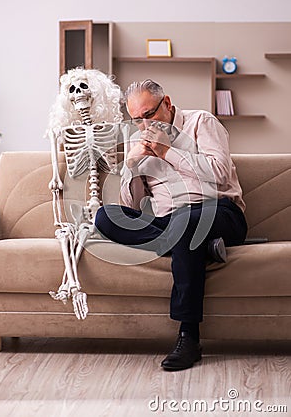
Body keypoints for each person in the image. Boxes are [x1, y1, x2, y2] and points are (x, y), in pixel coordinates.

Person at [95, 79, 248, 371]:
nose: (143, 125)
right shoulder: (137, 139)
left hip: (220, 212)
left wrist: (167, 152)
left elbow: (219, 172)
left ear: (166, 103)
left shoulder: (200, 122)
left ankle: (188, 336)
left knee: (187, 222)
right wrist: (130, 169)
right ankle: (199, 247)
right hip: (170, 221)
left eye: (149, 115)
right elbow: (131, 207)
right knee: (105, 218)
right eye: (136, 119)